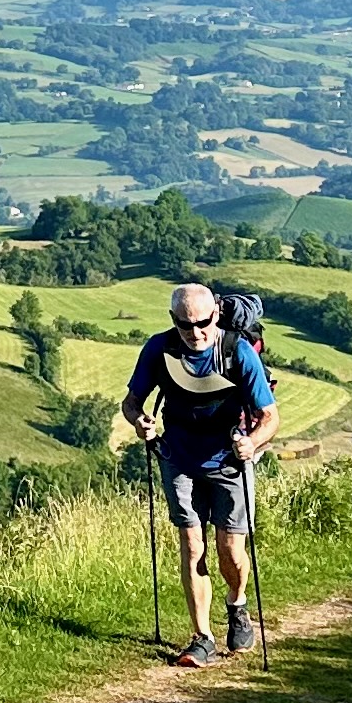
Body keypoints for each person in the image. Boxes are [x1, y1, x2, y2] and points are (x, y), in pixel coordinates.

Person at [122, 281, 277, 665]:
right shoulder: (159, 349)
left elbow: (271, 417)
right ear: (173, 320)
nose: (195, 333)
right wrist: (139, 422)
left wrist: (253, 441)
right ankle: (201, 637)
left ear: (216, 315)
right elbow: (131, 403)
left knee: (231, 552)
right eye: (185, 325)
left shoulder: (237, 352)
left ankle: (237, 604)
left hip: (228, 461)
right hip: (179, 458)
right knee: (192, 546)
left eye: (203, 323)